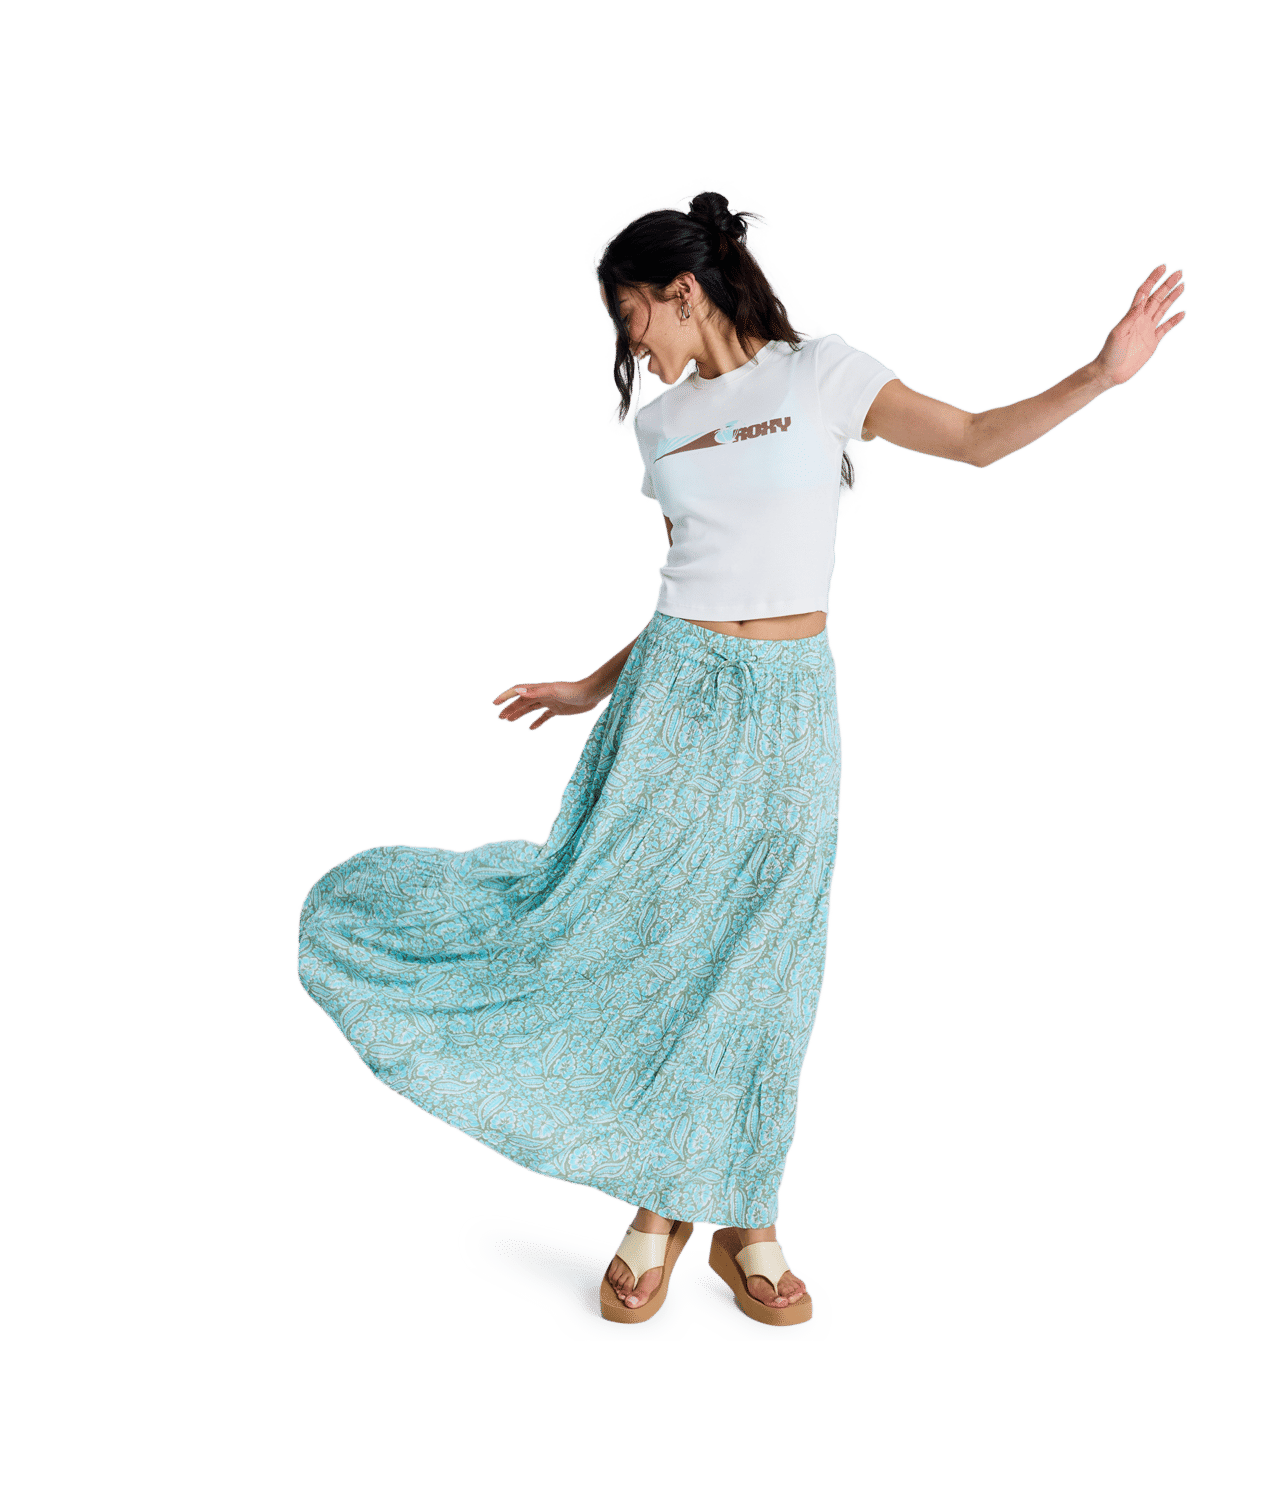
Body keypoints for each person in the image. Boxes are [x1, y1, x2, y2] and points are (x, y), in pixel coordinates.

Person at [296, 189, 1186, 1330]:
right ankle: (677, 1213)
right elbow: (690, 577)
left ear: (682, 289)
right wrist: (590, 686)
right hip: (672, 693)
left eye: (630, 315)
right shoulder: (662, 423)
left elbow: (972, 441)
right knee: (659, 942)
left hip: (791, 703)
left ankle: (739, 1217)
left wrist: (1101, 374)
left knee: (769, 958)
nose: (628, 345)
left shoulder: (823, 375)